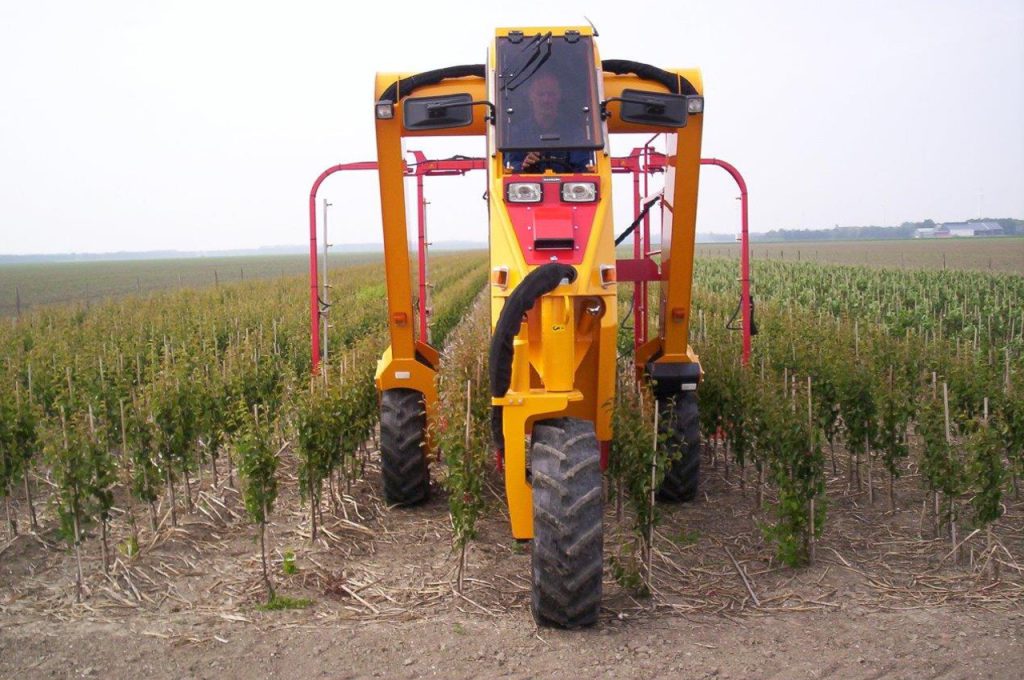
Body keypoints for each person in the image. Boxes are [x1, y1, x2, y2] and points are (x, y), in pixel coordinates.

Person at [505, 72, 592, 173]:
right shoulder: (517, 133)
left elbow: (583, 167)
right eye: (541, 94)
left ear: (559, 96)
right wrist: (523, 165)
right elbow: (508, 165)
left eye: (551, 94)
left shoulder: (574, 133)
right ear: (531, 96)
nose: (546, 100)